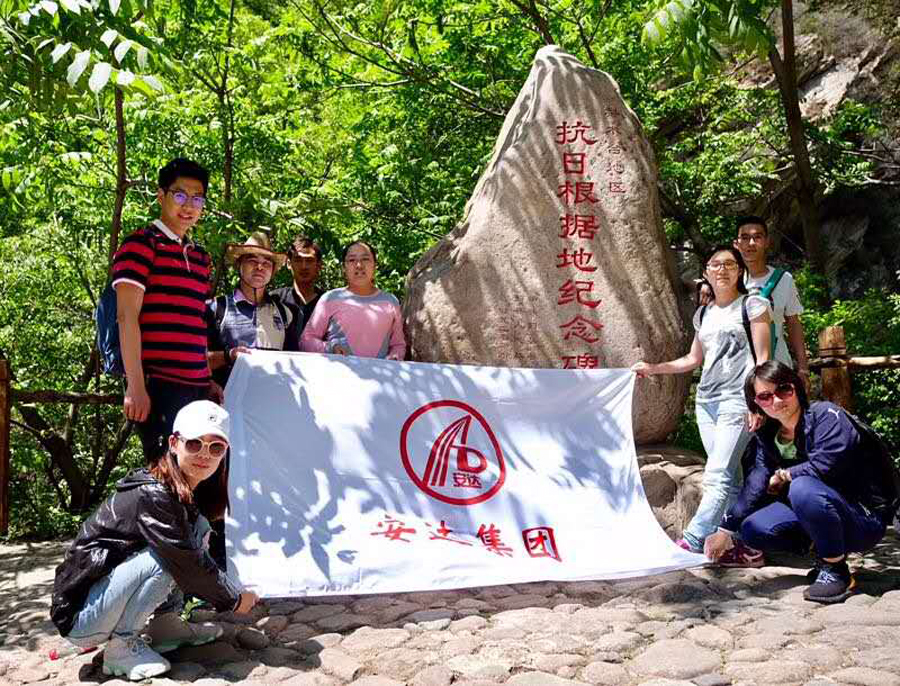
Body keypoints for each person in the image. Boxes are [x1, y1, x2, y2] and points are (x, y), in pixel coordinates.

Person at [50, 401, 259, 681]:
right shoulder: (155, 493)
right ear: (174, 443)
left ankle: (165, 625)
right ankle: (121, 647)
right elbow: (187, 561)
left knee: (197, 529)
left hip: (105, 601)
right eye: (194, 444)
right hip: (82, 617)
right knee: (169, 557)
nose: (204, 454)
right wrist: (234, 600)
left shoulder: (179, 489)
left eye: (216, 447)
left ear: (225, 452)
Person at [705, 361, 891, 603]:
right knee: (753, 529)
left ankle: (835, 569)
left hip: (862, 517)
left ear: (796, 387)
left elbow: (824, 465)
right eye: (765, 397)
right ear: (755, 403)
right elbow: (755, 485)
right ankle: (824, 552)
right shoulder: (768, 435)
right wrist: (724, 530)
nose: (776, 401)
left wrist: (785, 474)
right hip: (820, 510)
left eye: (784, 389)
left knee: (802, 487)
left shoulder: (826, 416)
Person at [632, 245, 772, 554]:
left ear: (740, 271)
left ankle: (693, 540)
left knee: (717, 474)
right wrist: (653, 368)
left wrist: (757, 402)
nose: (722, 270)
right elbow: (693, 359)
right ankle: (736, 543)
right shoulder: (704, 313)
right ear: (706, 271)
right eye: (715, 264)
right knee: (731, 477)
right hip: (707, 401)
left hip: (738, 399)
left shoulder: (753, 305)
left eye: (730, 264)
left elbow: (763, 359)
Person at [112, 158, 220, 460]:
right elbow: (126, 317)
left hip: (197, 387)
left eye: (197, 198)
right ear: (161, 196)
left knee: (197, 472)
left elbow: (195, 323)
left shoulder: (200, 258)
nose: (189, 206)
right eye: (180, 195)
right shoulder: (140, 244)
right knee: (166, 470)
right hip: (159, 384)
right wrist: (135, 386)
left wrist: (206, 379)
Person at [207, 231, 299, 388]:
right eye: (252, 261)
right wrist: (229, 356)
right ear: (239, 265)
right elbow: (196, 360)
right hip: (226, 398)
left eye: (266, 263)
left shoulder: (286, 314)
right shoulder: (216, 308)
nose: (259, 267)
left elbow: (294, 363)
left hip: (272, 397)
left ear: (272, 271)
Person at [301, 240, 406, 359]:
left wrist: (395, 357)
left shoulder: (390, 301)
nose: (359, 265)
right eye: (352, 260)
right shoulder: (330, 299)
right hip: (339, 370)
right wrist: (330, 347)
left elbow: (398, 345)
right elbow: (306, 341)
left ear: (374, 265)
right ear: (344, 267)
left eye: (365, 259)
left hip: (380, 371)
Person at [734, 216, 809, 381]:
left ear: (767, 242)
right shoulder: (728, 281)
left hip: (776, 368)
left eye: (757, 237)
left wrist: (803, 369)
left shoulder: (784, 279)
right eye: (745, 238)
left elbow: (793, 323)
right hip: (736, 372)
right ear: (736, 244)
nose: (751, 243)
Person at [271, 235, 324, 336]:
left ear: (319, 265)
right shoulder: (275, 300)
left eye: (309, 260)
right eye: (298, 260)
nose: (304, 266)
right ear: (289, 264)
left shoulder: (327, 303)